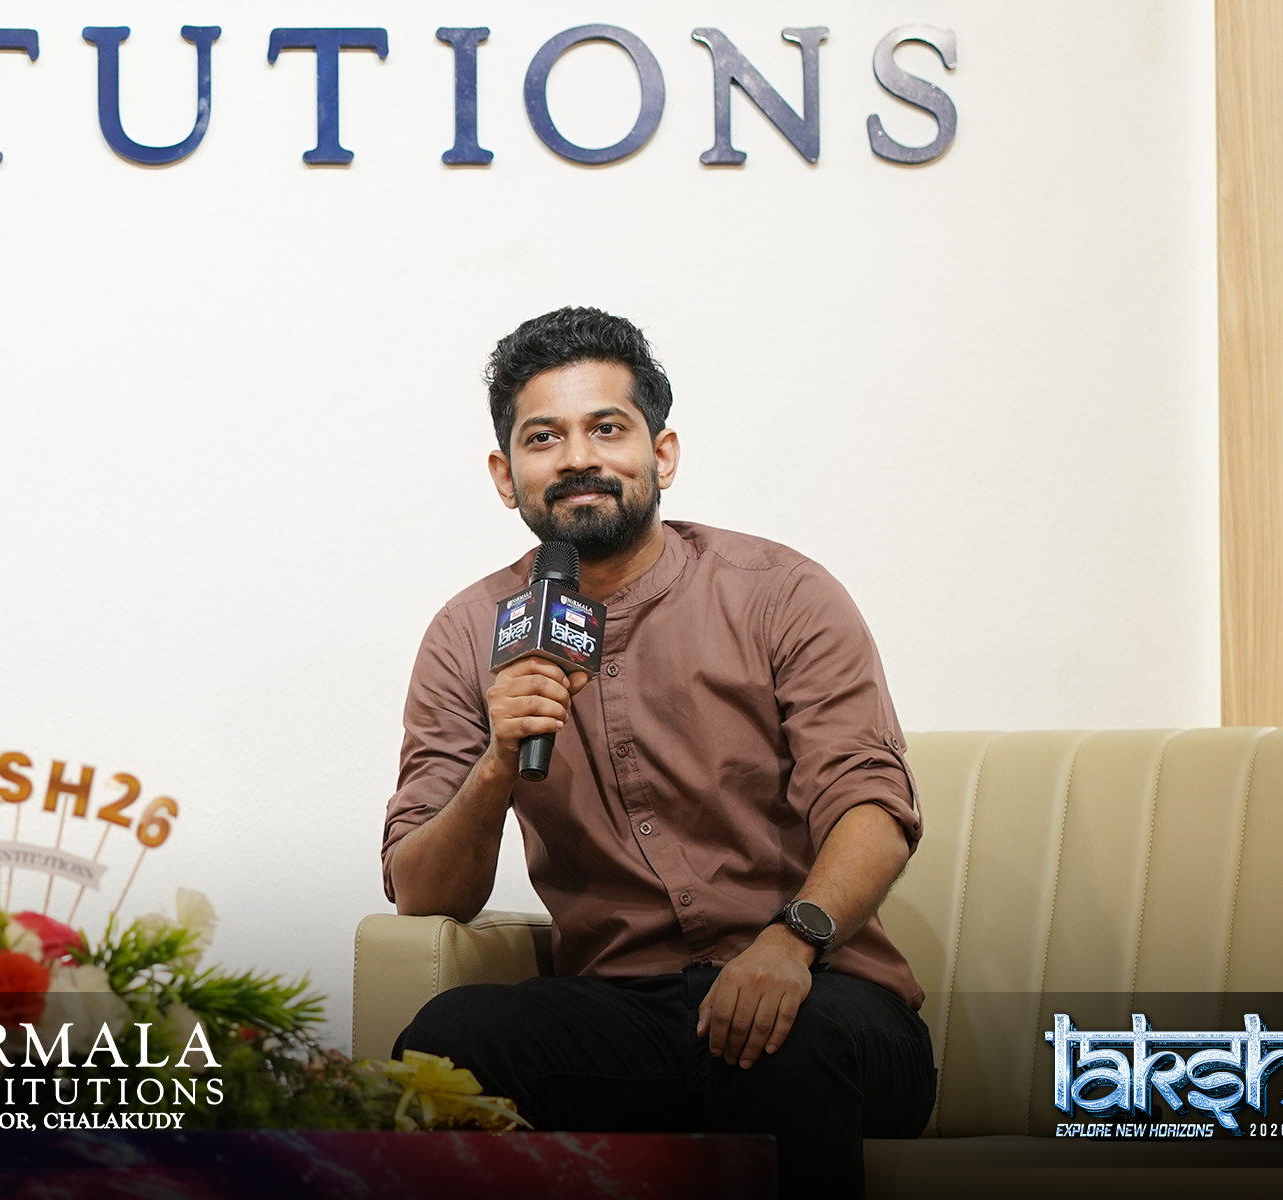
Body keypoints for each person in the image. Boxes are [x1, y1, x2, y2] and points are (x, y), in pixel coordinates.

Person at [381, 307, 935, 1197]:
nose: (577, 458)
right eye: (543, 438)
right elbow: (425, 892)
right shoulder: (469, 633)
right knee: (451, 1040)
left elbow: (872, 806)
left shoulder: (780, 593)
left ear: (662, 454)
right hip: (624, 1012)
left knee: (786, 1043)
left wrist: (791, 941)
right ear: (505, 475)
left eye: (607, 428)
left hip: (822, 991)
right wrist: (497, 763)